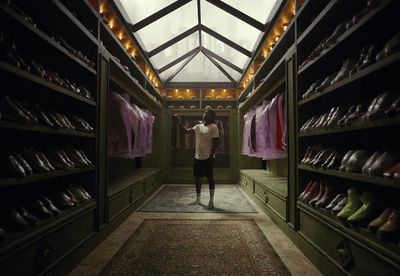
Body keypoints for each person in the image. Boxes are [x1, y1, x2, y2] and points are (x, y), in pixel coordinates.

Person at [174, 110, 219, 209]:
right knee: (197, 178)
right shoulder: (198, 126)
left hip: (208, 158)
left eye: (207, 113)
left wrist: (211, 156)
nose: (204, 114)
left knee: (210, 178)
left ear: (211, 116)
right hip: (198, 158)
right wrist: (179, 121)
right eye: (204, 112)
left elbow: (216, 142)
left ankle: (211, 202)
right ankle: (198, 199)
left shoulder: (214, 127)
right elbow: (186, 131)